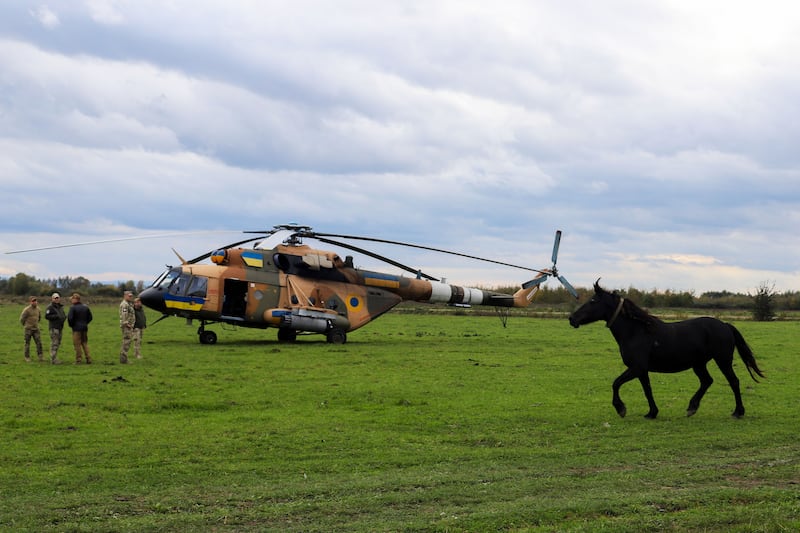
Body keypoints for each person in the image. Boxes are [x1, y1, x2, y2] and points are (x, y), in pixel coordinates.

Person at [67, 293, 93, 364]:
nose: (71, 300)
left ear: (75, 299)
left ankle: (78, 360)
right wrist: (85, 323)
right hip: (84, 328)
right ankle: (88, 358)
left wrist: (72, 325)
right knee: (84, 343)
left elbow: (70, 318)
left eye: (72, 299)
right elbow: (90, 317)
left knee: (77, 344)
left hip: (76, 329)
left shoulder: (72, 308)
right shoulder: (85, 307)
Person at [20, 296, 44, 362]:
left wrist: (36, 324)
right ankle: (27, 357)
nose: (35, 302)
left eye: (35, 301)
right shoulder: (26, 310)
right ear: (30, 302)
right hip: (28, 329)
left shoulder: (38, 309)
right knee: (27, 343)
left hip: (36, 329)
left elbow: (39, 317)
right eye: (33, 301)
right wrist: (26, 325)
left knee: (39, 343)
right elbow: (22, 319)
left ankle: (40, 356)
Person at [44, 292, 66, 364]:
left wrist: (64, 317)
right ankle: (53, 359)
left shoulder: (60, 307)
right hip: (54, 327)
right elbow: (47, 316)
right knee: (55, 343)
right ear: (52, 299)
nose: (56, 299)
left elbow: (63, 314)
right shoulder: (50, 307)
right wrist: (56, 317)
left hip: (60, 327)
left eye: (58, 298)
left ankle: (54, 357)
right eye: (55, 298)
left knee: (58, 343)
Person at [118, 291, 135, 364]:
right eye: (129, 296)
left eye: (131, 296)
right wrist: (126, 324)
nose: (130, 297)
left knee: (127, 341)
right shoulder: (124, 304)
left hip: (129, 325)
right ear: (125, 296)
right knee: (126, 341)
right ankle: (123, 359)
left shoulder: (128, 304)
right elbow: (124, 314)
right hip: (126, 326)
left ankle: (124, 358)